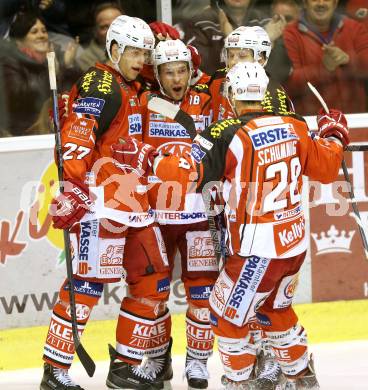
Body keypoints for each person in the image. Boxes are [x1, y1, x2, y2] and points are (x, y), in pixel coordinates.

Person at [112, 61, 350, 389]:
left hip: (256, 251)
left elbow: (184, 176)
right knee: (275, 311)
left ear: (233, 95)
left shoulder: (226, 133)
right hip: (293, 246)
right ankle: (302, 378)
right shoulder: (294, 127)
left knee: (224, 315)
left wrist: (149, 158)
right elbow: (326, 168)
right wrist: (334, 134)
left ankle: (238, 383)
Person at [39, 15, 171, 390]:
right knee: (87, 285)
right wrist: (74, 187)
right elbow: (77, 137)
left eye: (144, 53)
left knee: (153, 280)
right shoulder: (100, 83)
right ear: (113, 49)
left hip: (134, 203)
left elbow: (158, 110)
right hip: (101, 204)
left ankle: (125, 365)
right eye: (133, 51)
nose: (139, 59)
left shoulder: (132, 85)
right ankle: (55, 368)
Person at [139, 39, 216, 389]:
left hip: (199, 214)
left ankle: (198, 362)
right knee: (152, 291)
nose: (176, 78)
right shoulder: (144, 104)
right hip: (156, 214)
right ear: (156, 73)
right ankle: (157, 358)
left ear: (191, 70)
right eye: (168, 71)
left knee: (202, 290)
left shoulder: (208, 99)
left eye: (181, 70)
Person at [0, 10, 80, 136]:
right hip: (25, 135)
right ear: (19, 40)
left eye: (44, 31)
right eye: (34, 32)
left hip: (61, 130)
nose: (42, 35)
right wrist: (51, 70)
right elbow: (21, 97)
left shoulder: (57, 58)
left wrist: (68, 66)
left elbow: (76, 94)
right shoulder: (10, 63)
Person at [283, 0, 368, 115]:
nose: (321, 3)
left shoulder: (355, 28)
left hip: (355, 121)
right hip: (312, 123)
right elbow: (287, 86)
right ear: (305, 2)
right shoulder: (290, 34)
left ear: (335, 3)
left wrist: (348, 60)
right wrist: (323, 69)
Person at [178, 0, 290, 77]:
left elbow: (281, 72)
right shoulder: (201, 22)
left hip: (262, 100)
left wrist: (266, 41)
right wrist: (263, 43)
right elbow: (199, 71)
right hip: (217, 100)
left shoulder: (266, 22)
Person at [208, 25, 293, 122]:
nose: (232, 62)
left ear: (260, 59)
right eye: (231, 55)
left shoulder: (274, 94)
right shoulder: (218, 78)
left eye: (242, 56)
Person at [75, 2, 123, 72]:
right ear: (95, 31)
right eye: (104, 27)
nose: (112, 30)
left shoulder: (138, 49)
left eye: (117, 24)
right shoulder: (85, 60)